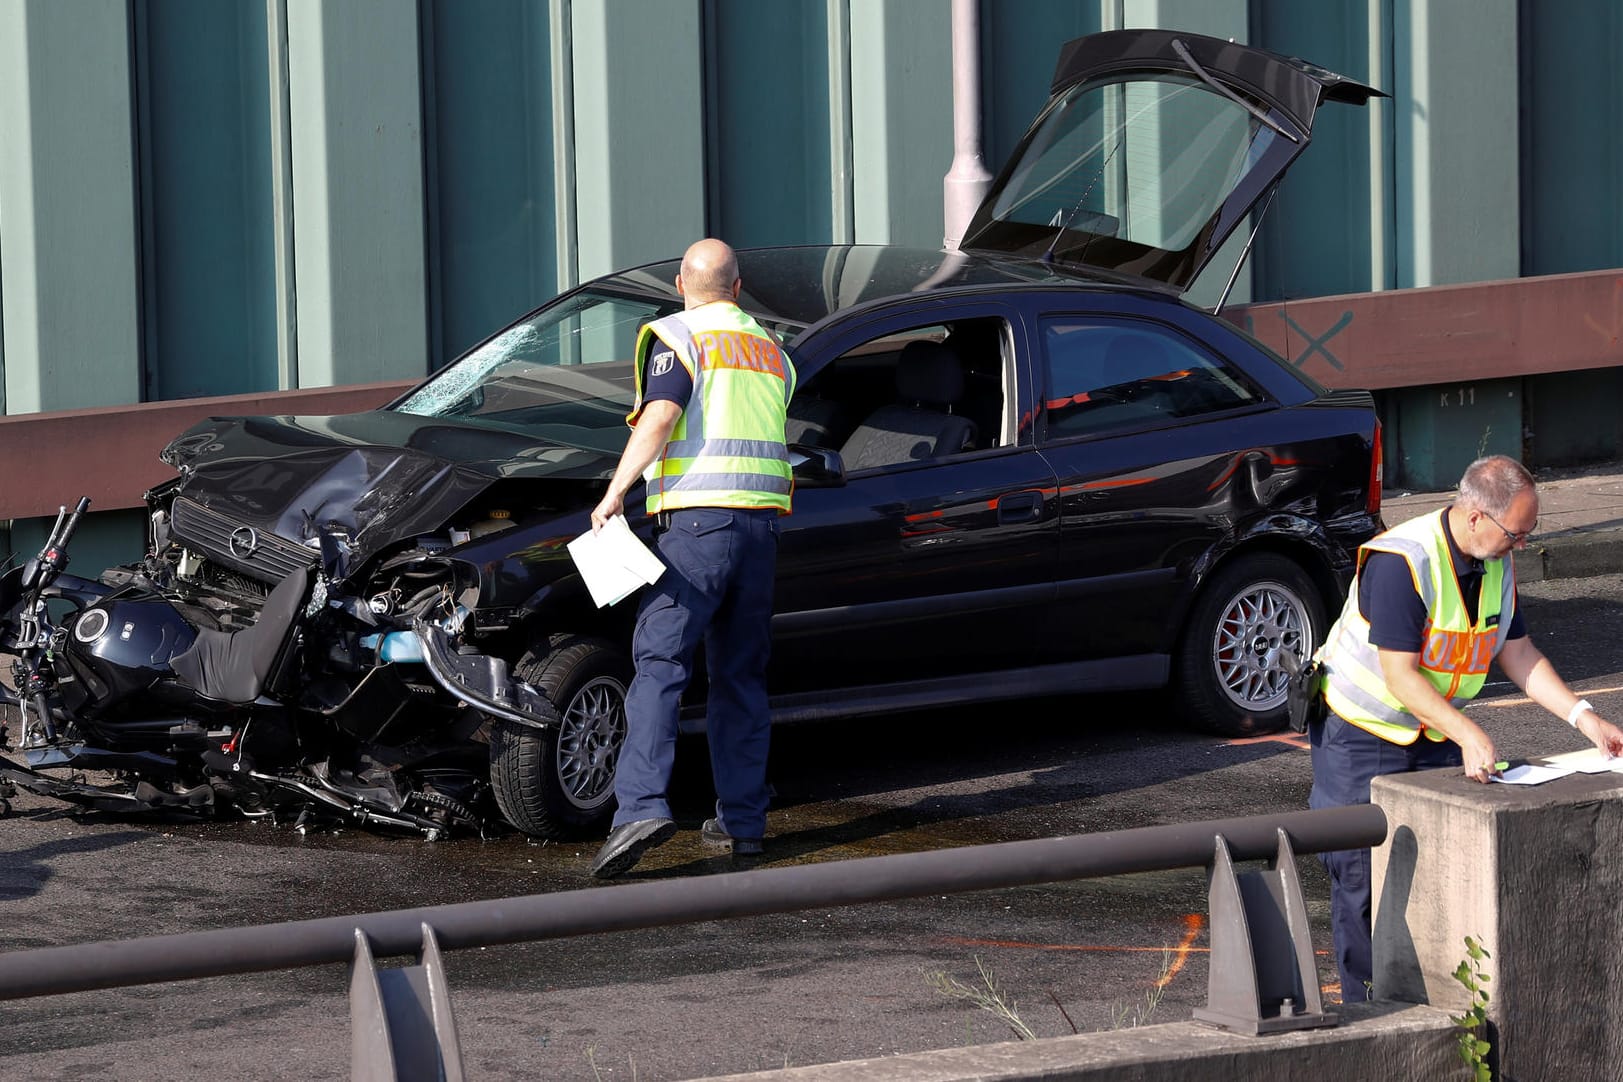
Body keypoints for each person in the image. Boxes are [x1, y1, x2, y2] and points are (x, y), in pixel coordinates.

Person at [1309, 454, 1623, 1001]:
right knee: (1362, 880)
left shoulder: (1494, 560)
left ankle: (1438, 1003)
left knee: (1439, 870)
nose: (1520, 545)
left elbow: (1518, 652)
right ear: (1476, 516)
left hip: (1432, 732)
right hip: (1362, 734)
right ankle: (1366, 1017)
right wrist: (1469, 734)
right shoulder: (1401, 560)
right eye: (1515, 533)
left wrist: (1583, 717)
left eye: (1527, 534)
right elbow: (1401, 677)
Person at [587, 237, 796, 880]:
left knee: (659, 664)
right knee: (740, 676)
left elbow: (661, 417)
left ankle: (640, 810)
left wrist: (616, 492)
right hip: (761, 534)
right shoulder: (771, 352)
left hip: (698, 532)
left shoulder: (680, 338)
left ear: (681, 283)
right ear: (736, 288)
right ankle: (744, 822)